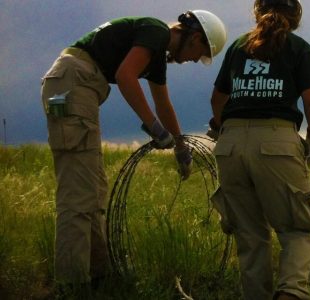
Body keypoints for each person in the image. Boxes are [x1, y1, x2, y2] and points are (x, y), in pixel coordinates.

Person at [39, 10, 226, 295]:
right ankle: (73, 287)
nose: (191, 60)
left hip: (78, 85)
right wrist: (154, 128)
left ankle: (98, 277)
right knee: (78, 194)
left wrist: (180, 146)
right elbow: (125, 76)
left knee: (95, 189)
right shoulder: (156, 31)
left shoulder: (157, 54)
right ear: (194, 37)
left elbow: (164, 104)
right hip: (74, 84)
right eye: (198, 53)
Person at [206, 0, 310, 299]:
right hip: (276, 141)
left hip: (230, 143)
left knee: (249, 236)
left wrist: (225, 129)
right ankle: (290, 292)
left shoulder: (238, 47)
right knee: (299, 228)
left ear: (257, 12)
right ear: (296, 15)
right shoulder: (299, 48)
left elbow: (217, 100)